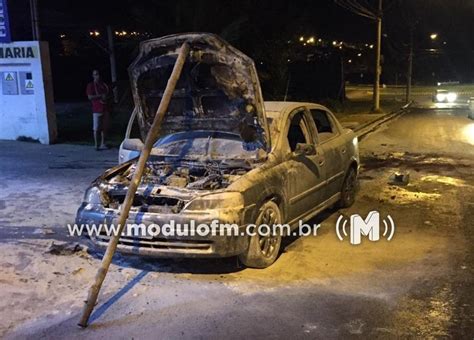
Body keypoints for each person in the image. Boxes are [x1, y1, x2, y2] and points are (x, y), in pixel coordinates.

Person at [86, 70, 110, 150]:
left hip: (105, 108)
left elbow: (107, 94)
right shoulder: (91, 85)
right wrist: (100, 96)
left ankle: (103, 143)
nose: (97, 76)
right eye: (95, 74)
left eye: (98, 74)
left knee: (104, 127)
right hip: (96, 109)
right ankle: (96, 144)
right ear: (93, 76)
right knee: (96, 128)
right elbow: (90, 97)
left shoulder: (103, 85)